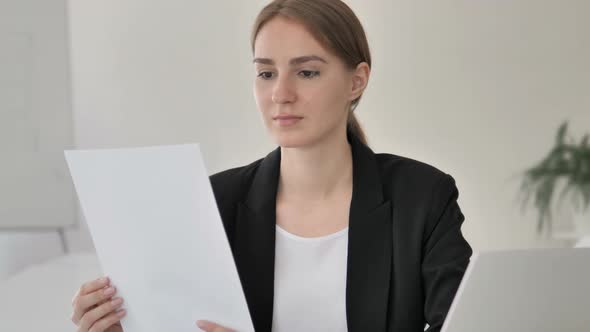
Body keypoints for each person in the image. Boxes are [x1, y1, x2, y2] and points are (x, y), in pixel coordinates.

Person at [70, 0, 473, 331]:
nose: (281, 93)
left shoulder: (421, 198)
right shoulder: (212, 203)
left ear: (357, 81)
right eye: (266, 72)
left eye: (307, 72)